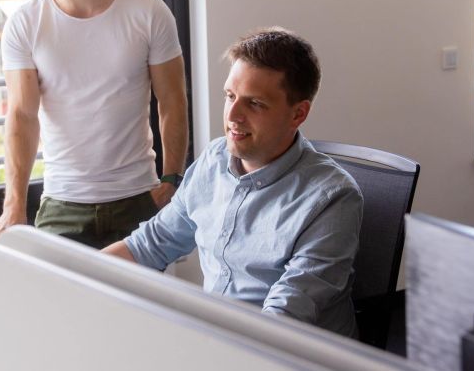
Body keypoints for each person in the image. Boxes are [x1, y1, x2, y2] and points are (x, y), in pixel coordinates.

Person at [104, 27, 363, 337]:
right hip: (220, 337)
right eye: (230, 96)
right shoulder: (214, 160)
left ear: (298, 114)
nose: (233, 116)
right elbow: (152, 244)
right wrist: (75, 275)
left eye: (255, 104)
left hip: (283, 353)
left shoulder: (333, 198)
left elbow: (286, 317)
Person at [0, 0, 188, 249]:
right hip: (62, 205)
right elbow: (21, 116)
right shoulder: (25, 23)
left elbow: (172, 100)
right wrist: (14, 204)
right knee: (59, 305)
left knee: (140, 307)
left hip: (137, 200)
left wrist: (172, 179)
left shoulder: (148, 11)